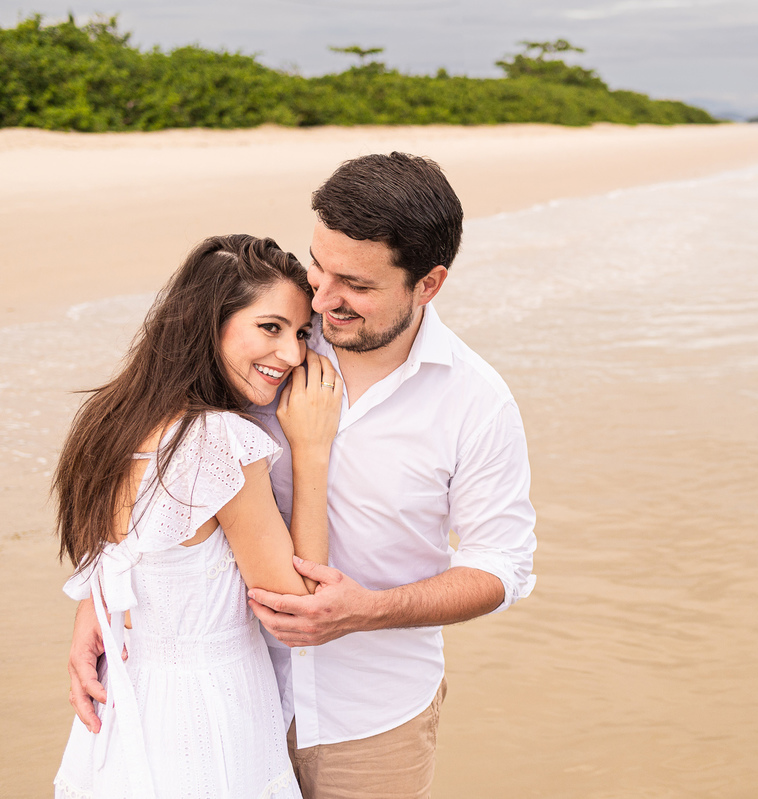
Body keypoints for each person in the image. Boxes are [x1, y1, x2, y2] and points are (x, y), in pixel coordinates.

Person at [69, 154, 538, 799]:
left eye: (355, 285)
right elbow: (151, 459)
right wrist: (106, 602)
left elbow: (502, 567)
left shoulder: (477, 402)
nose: (323, 299)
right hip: (225, 706)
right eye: (319, 265)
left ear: (427, 284)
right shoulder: (270, 338)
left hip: (372, 721)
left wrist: (370, 611)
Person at [54, 235, 344, 798]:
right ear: (210, 322)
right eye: (271, 327)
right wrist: (312, 450)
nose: (291, 355)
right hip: (207, 718)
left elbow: (120, 568)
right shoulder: (216, 440)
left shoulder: (107, 422)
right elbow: (300, 608)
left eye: (302, 334)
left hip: (126, 701)